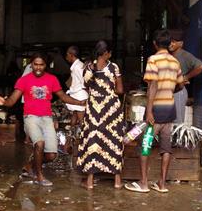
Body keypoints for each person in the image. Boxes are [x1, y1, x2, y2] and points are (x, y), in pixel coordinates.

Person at [0, 52, 85, 186]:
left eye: (41, 65)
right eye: (35, 64)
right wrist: (4, 102)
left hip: (47, 118)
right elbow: (13, 100)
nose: (38, 67)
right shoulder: (24, 80)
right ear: (31, 64)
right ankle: (39, 176)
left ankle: (30, 166)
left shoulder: (52, 79)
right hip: (31, 118)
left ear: (45, 65)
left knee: (51, 155)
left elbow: (63, 96)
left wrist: (80, 103)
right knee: (39, 144)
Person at [125, 29, 184, 194]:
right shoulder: (175, 62)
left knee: (145, 145)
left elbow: (152, 87)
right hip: (170, 110)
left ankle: (144, 183)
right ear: (169, 44)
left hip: (156, 110)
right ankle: (162, 184)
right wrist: (169, 91)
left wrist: (149, 111)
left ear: (155, 44)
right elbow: (180, 85)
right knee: (166, 147)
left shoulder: (153, 60)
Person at [77, 40, 125, 190]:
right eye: (110, 53)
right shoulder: (114, 67)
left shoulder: (88, 68)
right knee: (114, 139)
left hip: (94, 108)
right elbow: (120, 90)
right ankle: (117, 181)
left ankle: (90, 181)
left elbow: (86, 86)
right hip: (111, 108)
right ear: (106, 53)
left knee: (93, 138)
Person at [169, 29, 202, 123]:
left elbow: (201, 66)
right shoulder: (169, 55)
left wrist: (186, 77)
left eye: (174, 42)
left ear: (181, 43)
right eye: (170, 41)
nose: (171, 44)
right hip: (168, 90)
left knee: (177, 121)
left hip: (179, 91)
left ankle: (177, 138)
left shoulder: (185, 55)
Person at [64, 46, 88, 156]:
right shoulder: (76, 66)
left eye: (67, 55)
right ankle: (68, 144)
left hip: (80, 96)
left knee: (82, 123)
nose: (66, 57)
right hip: (75, 96)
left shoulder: (78, 67)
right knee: (73, 122)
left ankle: (83, 147)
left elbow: (84, 82)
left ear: (72, 55)